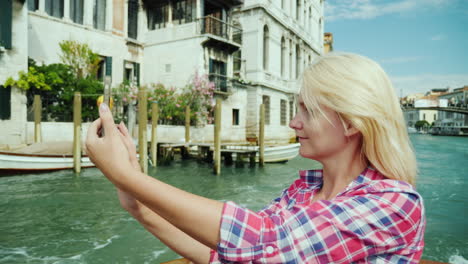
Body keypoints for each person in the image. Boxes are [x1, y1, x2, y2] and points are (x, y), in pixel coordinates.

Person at [86, 52, 425, 263]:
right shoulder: (301, 192)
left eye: (307, 110)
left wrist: (127, 176)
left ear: (351, 122)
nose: (294, 122)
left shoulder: (395, 203)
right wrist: (137, 205)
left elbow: (265, 242)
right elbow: (228, 255)